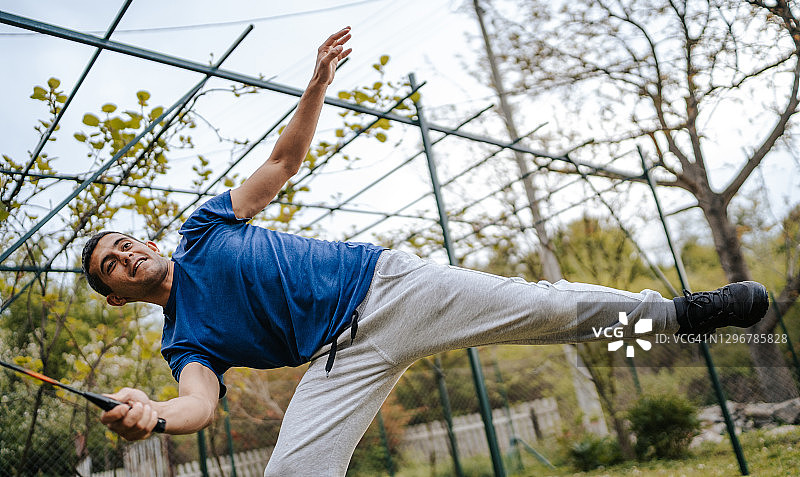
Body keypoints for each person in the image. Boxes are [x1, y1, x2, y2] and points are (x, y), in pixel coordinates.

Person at [82, 27, 769, 477]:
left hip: (387, 287)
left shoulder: (202, 226)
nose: (126, 255)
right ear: (115, 295)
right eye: (110, 264)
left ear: (145, 241)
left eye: (124, 243)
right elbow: (196, 404)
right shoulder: (183, 340)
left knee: (543, 307)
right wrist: (152, 413)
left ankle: (680, 314)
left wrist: (316, 85)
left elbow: (283, 161)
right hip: (337, 358)